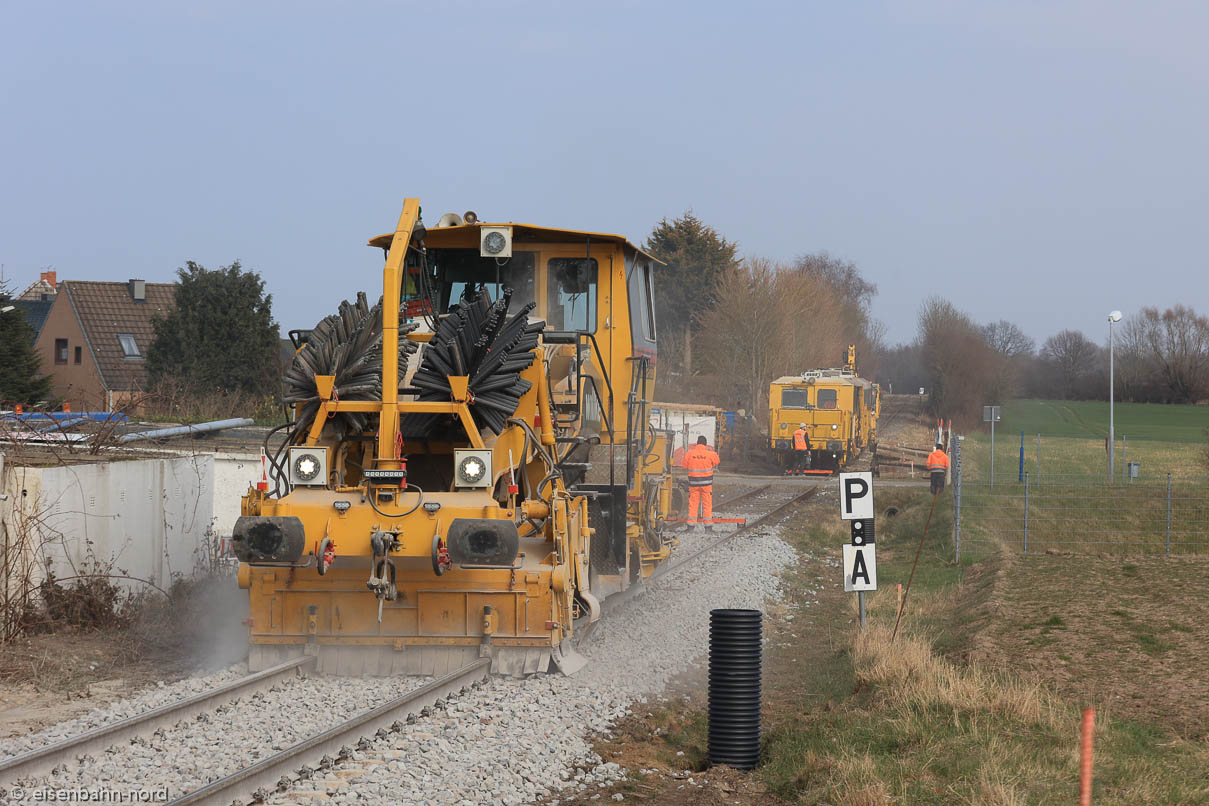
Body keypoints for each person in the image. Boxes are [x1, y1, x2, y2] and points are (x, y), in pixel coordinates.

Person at [682, 435, 721, 527]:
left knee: (693, 504)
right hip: (706, 485)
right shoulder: (711, 454)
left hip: (694, 484)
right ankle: (708, 526)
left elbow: (684, 466)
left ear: (697, 443)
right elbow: (717, 461)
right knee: (707, 504)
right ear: (705, 444)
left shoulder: (689, 453)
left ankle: (691, 525)